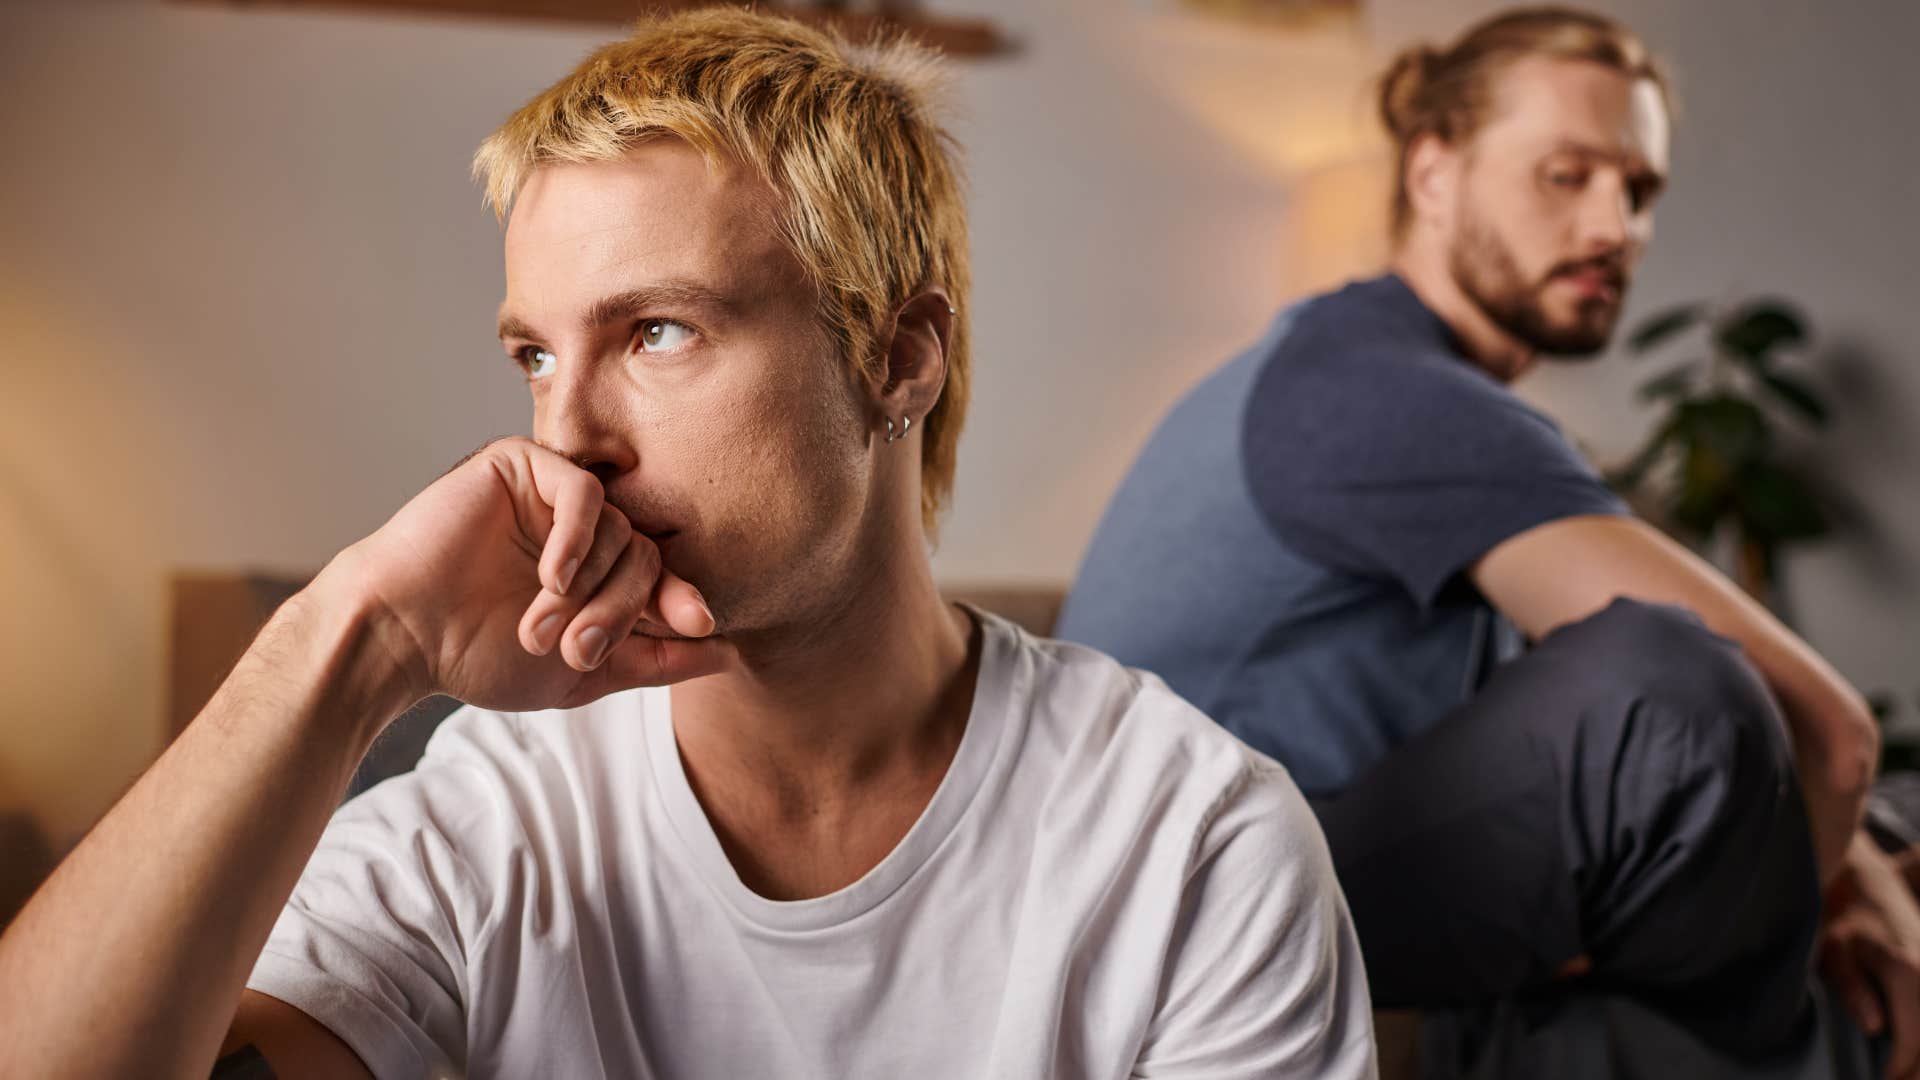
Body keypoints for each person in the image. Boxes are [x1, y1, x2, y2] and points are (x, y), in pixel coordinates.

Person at [0, 11, 1378, 1078]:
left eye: (658, 330)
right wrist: (350, 639)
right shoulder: (498, 818)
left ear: (901, 356)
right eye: (537, 354)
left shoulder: (1191, 844)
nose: (569, 435)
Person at [1058, 6, 1920, 1077]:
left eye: (1638, 188)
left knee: (1885, 820)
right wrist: (1836, 897)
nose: (1615, 226)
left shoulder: (1345, 363)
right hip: (1190, 909)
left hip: (1242, 865)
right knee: (1665, 696)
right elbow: (1830, 731)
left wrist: (1856, 865)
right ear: (1432, 174)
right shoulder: (1385, 391)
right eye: (1566, 175)